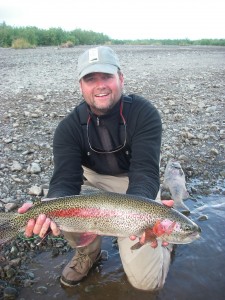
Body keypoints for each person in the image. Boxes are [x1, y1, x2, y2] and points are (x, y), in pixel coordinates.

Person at [18, 46, 174, 291]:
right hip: (93, 184)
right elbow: (65, 181)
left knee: (147, 284)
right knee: (63, 204)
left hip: (136, 186)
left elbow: (145, 170)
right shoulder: (68, 128)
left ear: (121, 79)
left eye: (107, 77)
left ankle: (165, 235)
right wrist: (47, 207)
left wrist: (144, 212)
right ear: (81, 85)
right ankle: (87, 253)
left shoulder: (144, 113)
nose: (100, 85)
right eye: (91, 79)